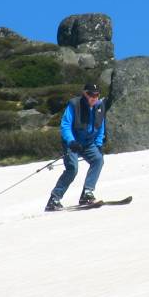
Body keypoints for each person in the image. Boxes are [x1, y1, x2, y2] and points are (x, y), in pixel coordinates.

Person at [45, 82, 106, 211]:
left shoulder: (100, 106)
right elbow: (65, 125)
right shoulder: (74, 105)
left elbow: (100, 126)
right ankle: (54, 199)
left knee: (98, 160)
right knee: (72, 168)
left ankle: (87, 193)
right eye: (90, 94)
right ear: (85, 94)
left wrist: (99, 144)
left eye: (96, 94)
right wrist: (71, 142)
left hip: (88, 143)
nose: (94, 97)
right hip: (73, 143)